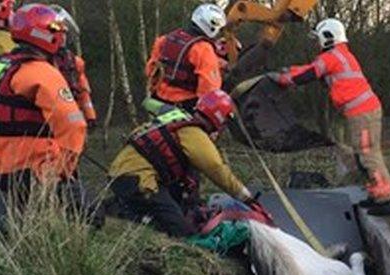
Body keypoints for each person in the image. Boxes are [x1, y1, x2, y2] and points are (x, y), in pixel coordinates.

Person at [271, 18, 390, 216]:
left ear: (327, 37)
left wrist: (283, 79)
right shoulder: (340, 55)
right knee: (362, 154)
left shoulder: (331, 56)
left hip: (362, 113)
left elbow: (308, 74)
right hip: (362, 111)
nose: (317, 43)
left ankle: (386, 199)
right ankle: (376, 194)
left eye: (318, 38)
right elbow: (310, 68)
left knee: (367, 154)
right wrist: (288, 70)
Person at [0, 4, 88, 218]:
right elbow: (74, 124)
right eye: (56, 31)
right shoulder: (41, 72)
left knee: (7, 224)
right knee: (89, 213)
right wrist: (64, 172)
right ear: (42, 34)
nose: (61, 38)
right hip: (32, 170)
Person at [108, 91, 270, 238]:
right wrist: (246, 198)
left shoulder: (177, 117)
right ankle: (123, 214)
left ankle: (121, 209)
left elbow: (148, 103)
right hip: (139, 180)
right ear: (220, 119)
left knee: (177, 202)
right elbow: (216, 168)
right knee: (182, 231)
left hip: (123, 174)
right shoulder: (194, 134)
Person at [146, 4, 227, 111]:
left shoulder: (165, 39)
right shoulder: (203, 49)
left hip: (158, 103)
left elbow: (150, 70)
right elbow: (210, 90)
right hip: (184, 107)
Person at [50, 5, 97, 127]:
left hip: (69, 116)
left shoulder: (74, 62)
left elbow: (83, 91)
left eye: (65, 33)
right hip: (48, 119)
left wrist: (90, 116)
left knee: (75, 126)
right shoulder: (39, 61)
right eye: (61, 33)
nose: (63, 37)